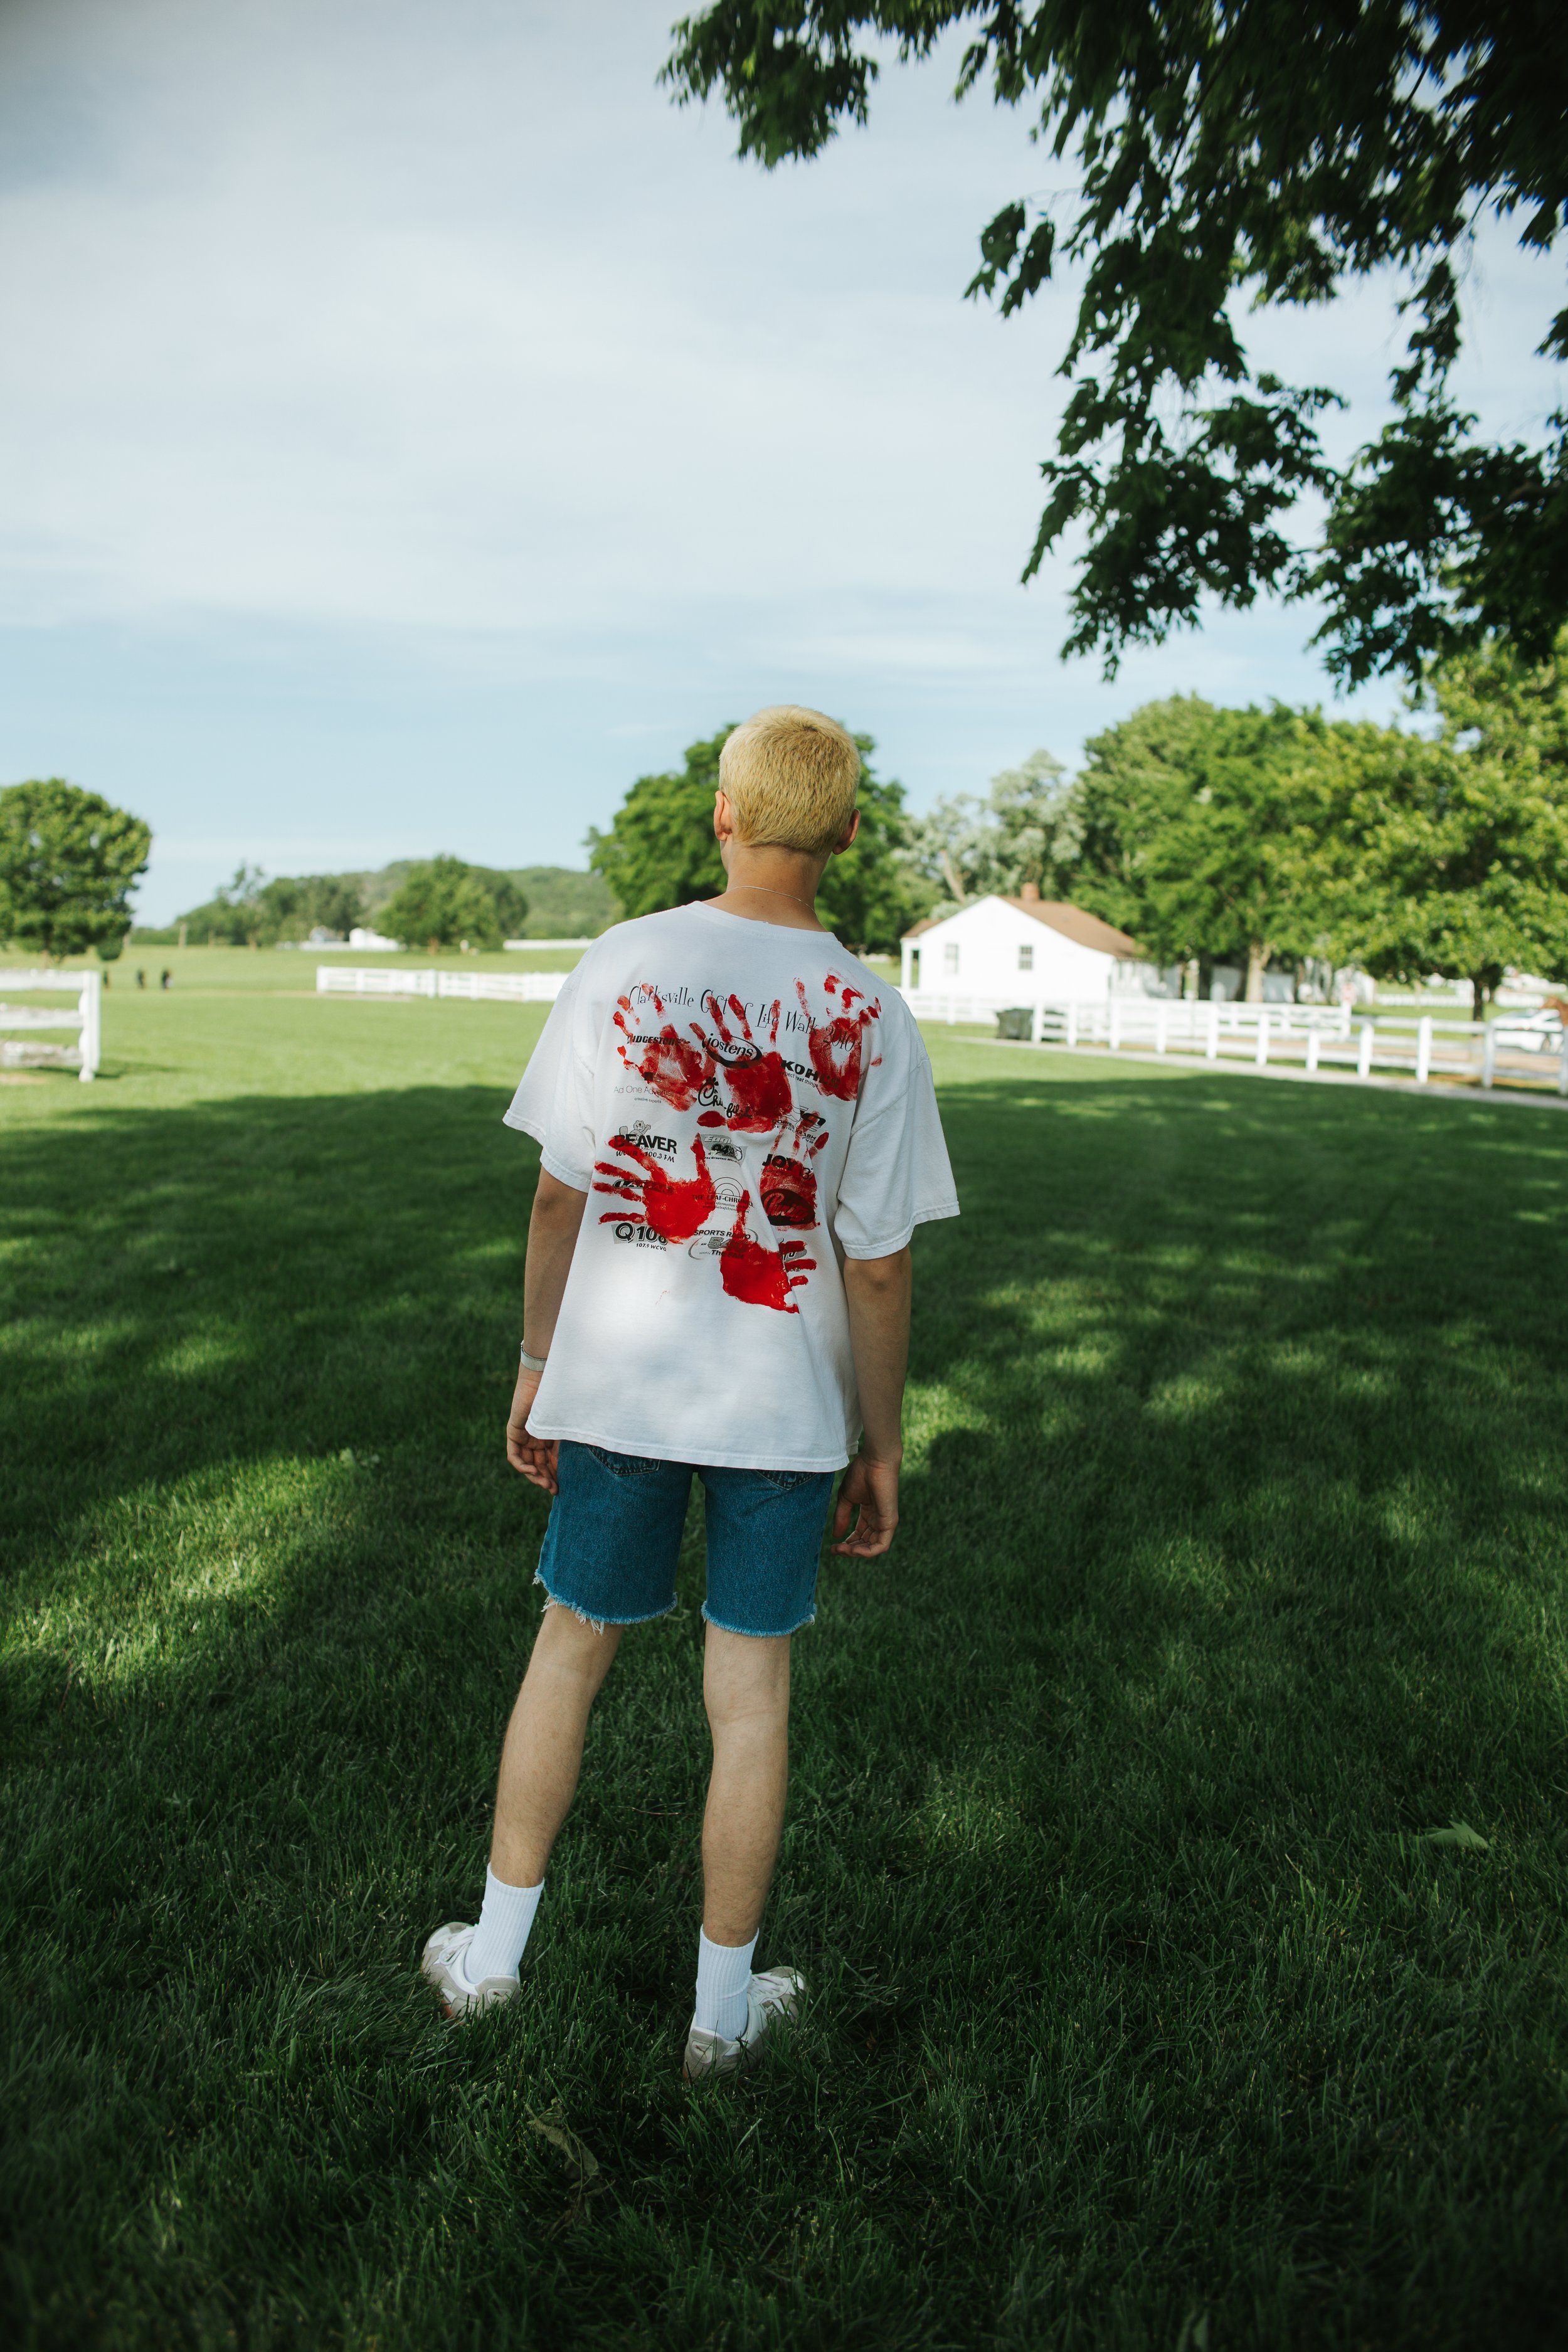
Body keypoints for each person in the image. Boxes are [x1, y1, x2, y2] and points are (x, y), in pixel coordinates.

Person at [421, 705, 959, 2077]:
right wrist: (880, 1440)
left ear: (723, 812)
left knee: (570, 1647)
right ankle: (719, 2019)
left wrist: (536, 1362)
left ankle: (492, 1960)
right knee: (751, 1695)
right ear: (847, 833)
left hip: (621, 1386)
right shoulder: (872, 1012)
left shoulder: (626, 959)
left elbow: (560, 1192)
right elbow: (878, 1264)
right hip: (782, 1410)